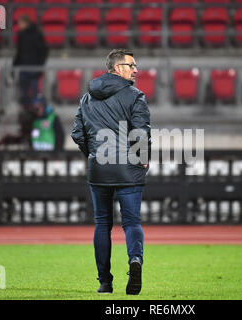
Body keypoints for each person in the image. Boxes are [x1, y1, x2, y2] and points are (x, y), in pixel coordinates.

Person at [71, 49, 151, 295]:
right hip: (128, 167)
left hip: (99, 169)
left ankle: (105, 282)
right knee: (131, 222)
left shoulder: (87, 98)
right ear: (118, 68)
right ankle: (135, 260)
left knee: (102, 224)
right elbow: (141, 132)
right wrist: (143, 158)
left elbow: (77, 134)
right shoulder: (135, 96)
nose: (136, 69)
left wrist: (94, 154)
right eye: (131, 65)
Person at [0, 96, 65, 151]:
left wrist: (57, 152)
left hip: (51, 153)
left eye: (38, 107)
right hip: (35, 153)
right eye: (34, 107)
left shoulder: (53, 118)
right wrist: (9, 140)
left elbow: (60, 136)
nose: (36, 110)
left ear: (43, 107)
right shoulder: (32, 120)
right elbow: (25, 136)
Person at [13, 14, 49, 107]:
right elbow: (19, 52)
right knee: (24, 92)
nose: (19, 26)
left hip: (34, 68)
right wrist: (14, 65)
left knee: (35, 91)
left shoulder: (37, 34)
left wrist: (40, 66)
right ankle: (26, 112)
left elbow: (43, 51)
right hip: (23, 68)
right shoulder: (20, 34)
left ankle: (35, 111)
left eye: (20, 23)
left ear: (26, 23)